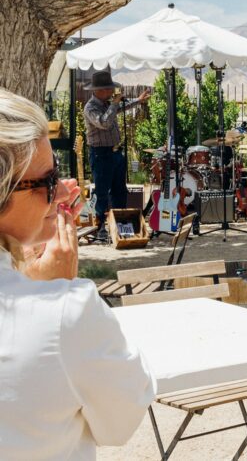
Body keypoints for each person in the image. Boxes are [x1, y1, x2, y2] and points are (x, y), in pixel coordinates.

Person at [0, 88, 155, 459]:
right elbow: (121, 422)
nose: (59, 196)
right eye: (48, 181)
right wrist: (53, 293)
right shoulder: (64, 311)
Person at [83, 71, 150, 240]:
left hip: (115, 152)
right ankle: (100, 228)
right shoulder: (91, 107)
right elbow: (104, 122)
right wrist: (114, 104)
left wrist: (138, 101)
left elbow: (120, 108)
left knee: (120, 191)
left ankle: (120, 225)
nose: (112, 93)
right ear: (101, 90)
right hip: (101, 154)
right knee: (102, 191)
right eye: (109, 89)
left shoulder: (107, 104)